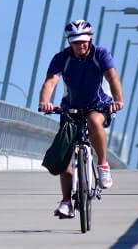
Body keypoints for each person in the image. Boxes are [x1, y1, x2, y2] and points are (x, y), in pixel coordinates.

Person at [38, 19, 124, 219]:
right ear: (69, 42)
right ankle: (66, 202)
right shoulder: (62, 58)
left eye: (84, 40)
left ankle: (103, 164)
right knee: (65, 155)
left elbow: (112, 78)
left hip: (99, 105)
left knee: (95, 121)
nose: (81, 45)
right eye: (76, 41)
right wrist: (45, 102)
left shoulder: (100, 54)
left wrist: (118, 100)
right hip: (72, 108)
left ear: (91, 39)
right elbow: (51, 82)